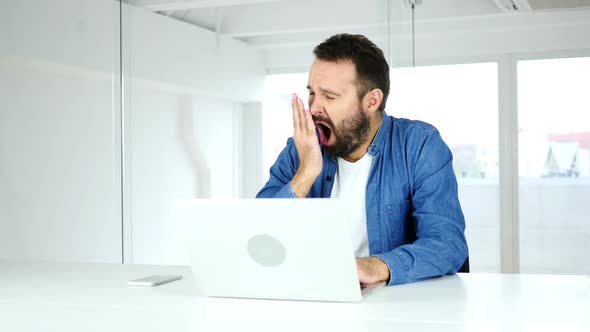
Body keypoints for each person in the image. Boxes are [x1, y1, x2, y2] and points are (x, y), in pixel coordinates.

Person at [256, 33, 468, 286]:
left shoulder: (419, 145)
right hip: (314, 296)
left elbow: (447, 244)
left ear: (371, 101)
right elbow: (259, 237)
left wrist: (376, 267)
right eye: (312, 93)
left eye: (330, 96)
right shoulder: (300, 150)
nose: (313, 108)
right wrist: (305, 174)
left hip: (392, 304)